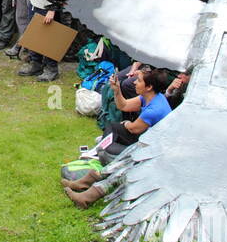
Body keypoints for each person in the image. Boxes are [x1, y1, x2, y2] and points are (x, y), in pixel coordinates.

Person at [63, 66, 175, 207]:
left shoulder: (154, 109)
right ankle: (84, 184)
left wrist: (127, 123)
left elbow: (134, 129)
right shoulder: (150, 97)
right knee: (114, 133)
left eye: (138, 80)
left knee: (120, 164)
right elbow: (124, 106)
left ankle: (86, 195)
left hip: (158, 155)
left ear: (149, 87)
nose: (134, 82)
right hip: (148, 145)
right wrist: (117, 90)